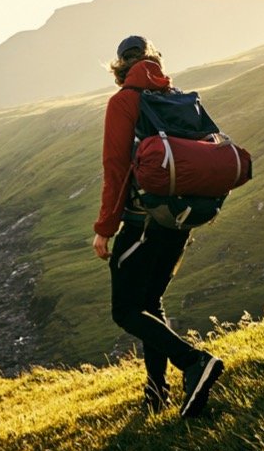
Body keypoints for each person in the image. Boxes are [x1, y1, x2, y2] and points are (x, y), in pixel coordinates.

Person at [92, 35, 223, 417]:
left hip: (142, 222)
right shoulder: (178, 96)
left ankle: (194, 362)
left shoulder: (123, 102)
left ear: (119, 68)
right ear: (154, 61)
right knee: (150, 302)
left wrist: (105, 227)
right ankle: (156, 393)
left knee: (125, 310)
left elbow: (116, 169)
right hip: (180, 219)